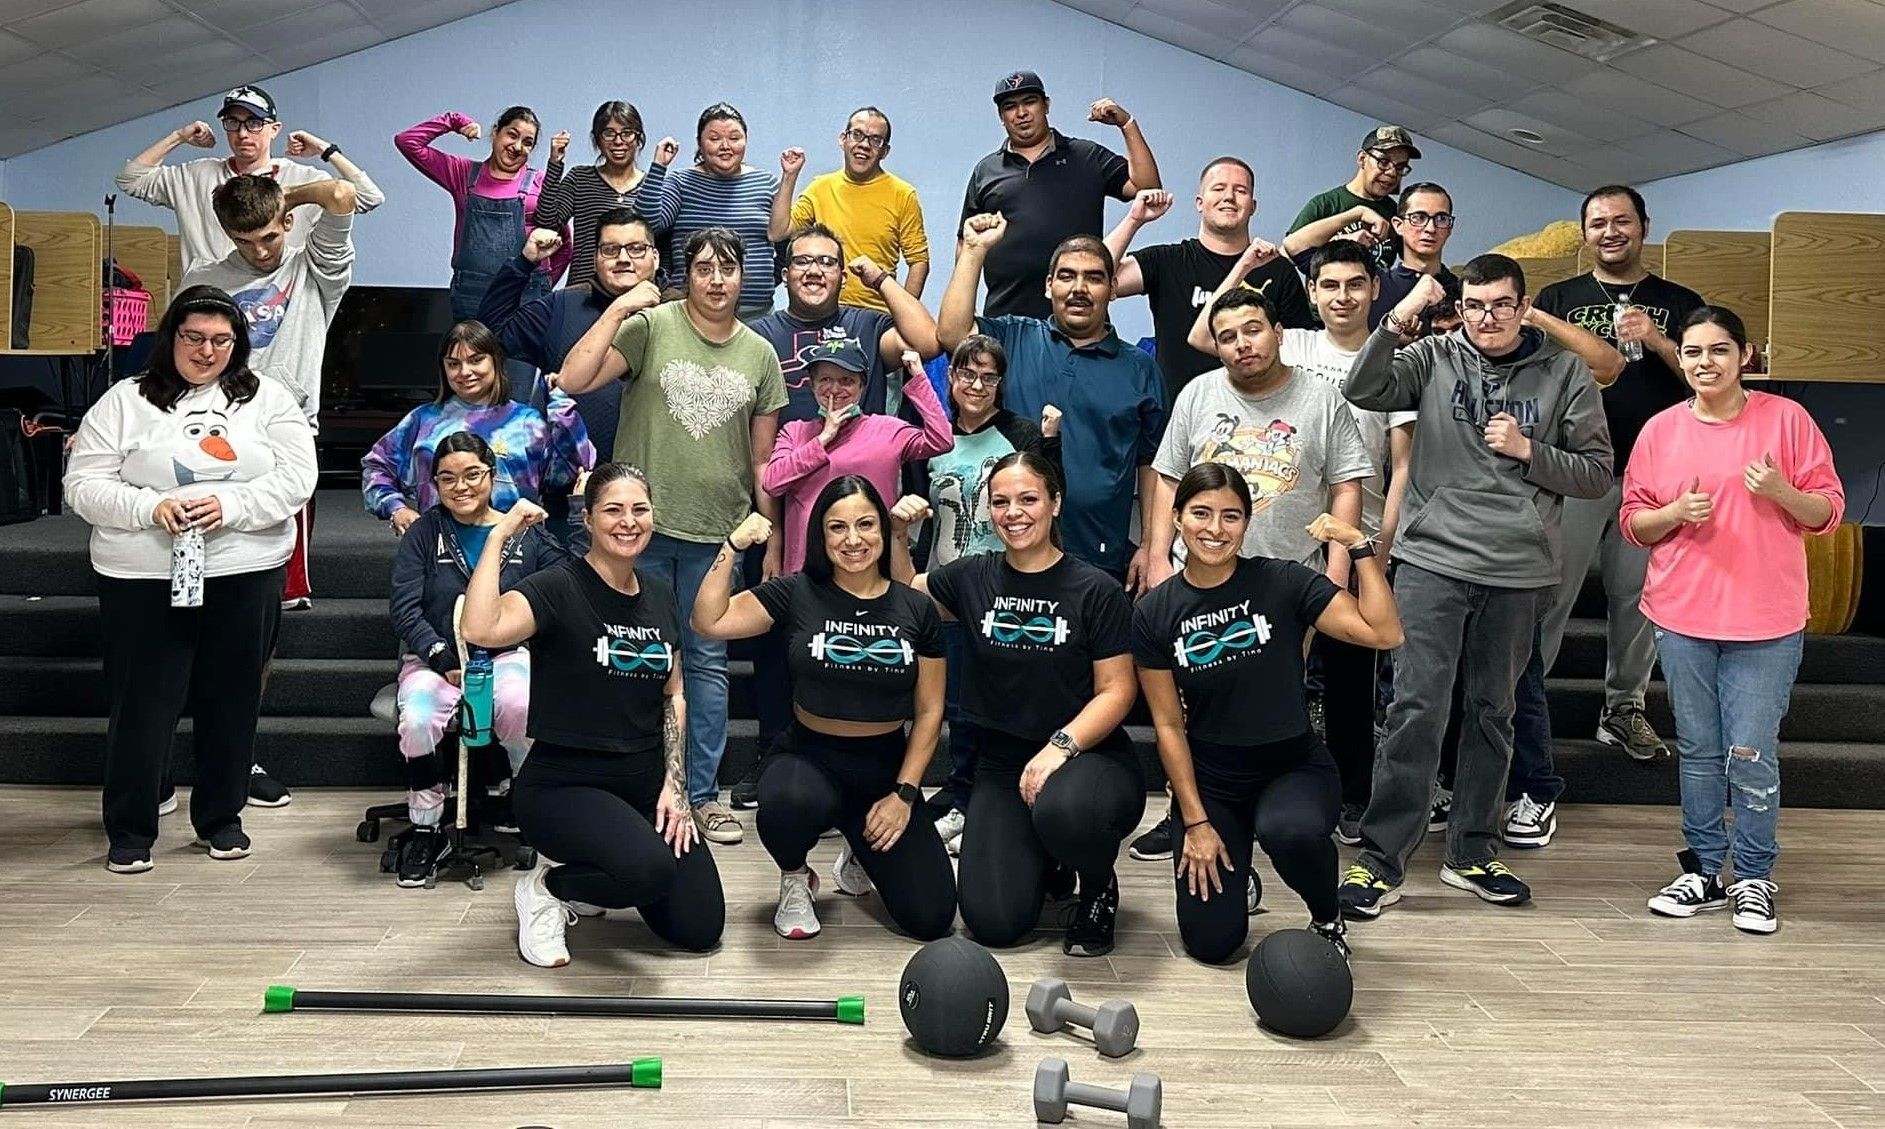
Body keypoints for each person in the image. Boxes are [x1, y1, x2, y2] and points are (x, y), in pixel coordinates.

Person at [1339, 256, 1612, 919]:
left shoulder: (1564, 371)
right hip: (1433, 560)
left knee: (1491, 711)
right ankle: (1380, 859)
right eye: (1473, 305)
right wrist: (1398, 318)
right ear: (1457, 308)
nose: (1486, 317)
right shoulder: (1432, 355)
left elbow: (1597, 472)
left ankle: (1471, 849)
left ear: (1523, 308)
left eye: (1499, 304)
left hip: (1518, 569)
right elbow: (1362, 387)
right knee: (1416, 707)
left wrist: (1529, 450)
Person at [64, 286, 317, 873]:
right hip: (143, 574)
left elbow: (295, 481)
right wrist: (150, 509)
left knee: (231, 699)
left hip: (242, 570)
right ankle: (130, 830)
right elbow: (83, 484)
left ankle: (222, 819)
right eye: (193, 338)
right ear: (171, 337)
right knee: (143, 705)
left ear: (239, 343)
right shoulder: (124, 401)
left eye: (221, 340)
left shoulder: (270, 400)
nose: (207, 352)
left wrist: (229, 507)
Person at [556, 227, 789, 845]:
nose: (717, 280)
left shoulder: (760, 355)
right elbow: (575, 378)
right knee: (640, 664)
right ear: (686, 274)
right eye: (705, 268)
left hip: (721, 537)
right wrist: (619, 306)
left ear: (746, 277)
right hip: (640, 533)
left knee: (707, 665)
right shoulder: (652, 327)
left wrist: (775, 538)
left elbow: (763, 460)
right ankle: (640, 789)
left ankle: (701, 795)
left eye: (729, 268)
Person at [1622, 306, 1843, 936]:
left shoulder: (1787, 419)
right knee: (1697, 750)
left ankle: (1754, 875)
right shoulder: (1660, 430)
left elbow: (1826, 511)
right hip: (1682, 613)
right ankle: (1703, 868)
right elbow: (1632, 523)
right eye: (1693, 352)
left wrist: (1779, 491)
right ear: (1681, 360)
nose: (1704, 363)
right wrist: (1672, 513)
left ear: (1744, 356)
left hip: (1766, 619)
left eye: (1719, 350)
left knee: (1749, 751)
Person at [1135, 463, 1403, 962]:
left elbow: (1385, 633)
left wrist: (1359, 546)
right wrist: (1194, 823)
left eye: (1230, 516)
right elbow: (1169, 725)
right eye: (1201, 513)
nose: (1215, 529)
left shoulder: (1282, 582)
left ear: (1247, 521)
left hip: (1292, 767)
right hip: (1213, 780)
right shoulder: (1155, 613)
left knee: (1290, 831)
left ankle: (1327, 917)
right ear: (1175, 518)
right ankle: (1237, 875)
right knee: (1212, 944)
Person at [460, 465, 724, 966]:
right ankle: (547, 887)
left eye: (639, 510)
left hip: (644, 783)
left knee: (699, 927)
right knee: (648, 871)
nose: (628, 522)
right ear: (587, 519)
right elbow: (482, 628)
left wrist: (676, 786)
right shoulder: (559, 586)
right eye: (613, 510)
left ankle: (602, 871)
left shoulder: (659, 593)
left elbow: (675, 694)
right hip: (566, 786)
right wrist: (497, 537)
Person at [892, 452, 1143, 957]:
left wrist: (1060, 747)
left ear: (1055, 502)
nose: (1014, 513)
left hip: (1088, 759)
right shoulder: (972, 577)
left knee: (1067, 813)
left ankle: (1097, 888)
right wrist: (898, 536)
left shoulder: (1094, 588)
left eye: (1028, 499)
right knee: (994, 923)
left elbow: (1118, 690)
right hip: (1002, 762)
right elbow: (905, 592)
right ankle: (1048, 860)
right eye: (1001, 502)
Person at [694, 479, 957, 940]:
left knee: (931, 918)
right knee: (787, 803)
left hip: (883, 770)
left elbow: (931, 710)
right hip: (808, 758)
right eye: (837, 527)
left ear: (882, 529)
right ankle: (796, 876)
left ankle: (861, 848)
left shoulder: (916, 608)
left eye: (865, 525)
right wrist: (732, 546)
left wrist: (905, 796)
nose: (852, 540)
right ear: (820, 535)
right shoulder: (798, 592)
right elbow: (708, 621)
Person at [1535, 185, 1707, 763]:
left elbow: (1703, 381)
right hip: (1576, 470)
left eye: (1622, 221)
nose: (1610, 231)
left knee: (1636, 597)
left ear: (1644, 227)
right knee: (1551, 591)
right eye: (1598, 222)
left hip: (1654, 476)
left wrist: (1656, 339)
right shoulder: (1559, 297)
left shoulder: (1680, 301)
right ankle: (1526, 697)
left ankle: (1624, 708)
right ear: (1584, 233)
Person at [940, 216, 1167, 588]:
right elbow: (951, 334)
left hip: (1098, 556)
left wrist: (1151, 547)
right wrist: (975, 250)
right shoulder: (1013, 338)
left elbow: (1153, 462)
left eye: (1094, 278)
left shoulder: (1140, 369)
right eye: (1066, 276)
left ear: (1112, 289)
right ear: (1049, 286)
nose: (1079, 288)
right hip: (1004, 549)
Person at [388, 431, 566, 887]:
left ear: (491, 475)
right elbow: (404, 608)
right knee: (420, 716)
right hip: (436, 660)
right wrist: (441, 655)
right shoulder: (424, 534)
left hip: (505, 655)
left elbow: (566, 583)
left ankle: (529, 805)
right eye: (447, 479)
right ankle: (427, 826)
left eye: (472, 475)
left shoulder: (524, 534)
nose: (461, 487)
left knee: (521, 704)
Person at [908, 335, 1061, 852]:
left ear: (1001, 381)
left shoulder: (1019, 433)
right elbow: (914, 503)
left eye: (988, 376)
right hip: (941, 583)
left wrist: (1052, 441)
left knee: (989, 696)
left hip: (1000, 590)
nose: (976, 385)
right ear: (950, 378)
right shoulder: (931, 433)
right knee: (953, 700)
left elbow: (1046, 496)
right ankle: (958, 790)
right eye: (966, 374)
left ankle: (979, 795)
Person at [185, 173, 358, 614]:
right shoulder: (205, 279)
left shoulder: (314, 268)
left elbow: (341, 194)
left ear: (286, 222)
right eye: (244, 241)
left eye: (268, 236)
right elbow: (182, 354)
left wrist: (285, 197)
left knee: (282, 584)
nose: (260, 252)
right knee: (215, 520)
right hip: (219, 419)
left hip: (290, 419)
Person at [1103, 160, 1313, 401]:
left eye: (1240, 190)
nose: (1229, 197)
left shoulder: (1278, 269)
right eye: (1218, 188)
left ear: (1253, 206)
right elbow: (1094, 275)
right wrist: (1134, 220)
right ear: (1199, 203)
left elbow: (1297, 352)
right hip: (1176, 416)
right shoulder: (1168, 260)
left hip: (1258, 417)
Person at [117, 84, 383, 273]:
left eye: (254, 123)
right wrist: (180, 136)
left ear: (274, 129)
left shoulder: (302, 177)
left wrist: (326, 151)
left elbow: (369, 197)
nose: (243, 133)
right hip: (208, 309)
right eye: (233, 123)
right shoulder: (196, 175)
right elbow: (130, 179)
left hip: (271, 308)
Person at [960, 71, 1160, 319]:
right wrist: (965, 309)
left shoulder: (1087, 156)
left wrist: (1127, 124)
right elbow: (966, 242)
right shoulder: (985, 171)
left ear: (1046, 105)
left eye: (1029, 102)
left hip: (1081, 317)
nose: (1021, 113)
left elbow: (1147, 188)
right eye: (1010, 107)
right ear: (1002, 117)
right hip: (1006, 321)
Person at [362, 321, 591, 536]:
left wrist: (561, 405)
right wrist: (396, 509)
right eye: (453, 364)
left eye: (475, 360)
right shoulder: (423, 420)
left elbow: (572, 473)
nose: (464, 372)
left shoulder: (527, 422)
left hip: (516, 554)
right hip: (440, 552)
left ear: (496, 361)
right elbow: (376, 468)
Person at [478, 209, 662, 460]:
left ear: (656, 257)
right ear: (596, 258)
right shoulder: (563, 307)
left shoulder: (680, 311)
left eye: (636, 248)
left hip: (659, 479)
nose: (623, 258)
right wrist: (525, 262)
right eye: (610, 250)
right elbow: (492, 332)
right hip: (572, 481)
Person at [762, 343, 953, 574]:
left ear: (862, 386)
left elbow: (941, 439)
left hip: (873, 570)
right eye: (825, 380)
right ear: (812, 385)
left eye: (846, 381)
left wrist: (919, 377)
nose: (835, 389)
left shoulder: (887, 430)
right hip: (807, 572)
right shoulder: (794, 432)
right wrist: (822, 439)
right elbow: (771, 483)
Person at [748, 223, 942, 424]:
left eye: (826, 262)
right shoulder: (759, 335)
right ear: (785, 276)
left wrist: (880, 279)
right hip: (789, 454)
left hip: (863, 454)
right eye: (802, 261)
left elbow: (928, 343)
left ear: (843, 278)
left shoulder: (868, 326)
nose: (814, 270)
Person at [395, 105, 569, 320]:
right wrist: (454, 120)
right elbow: (407, 141)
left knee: (521, 354)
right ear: (496, 132)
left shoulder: (541, 182)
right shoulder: (462, 173)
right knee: (471, 354)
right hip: (472, 293)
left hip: (527, 291)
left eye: (527, 143)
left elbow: (564, 242)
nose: (517, 147)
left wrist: (543, 285)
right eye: (512, 135)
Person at [775, 107, 930, 313]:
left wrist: (904, 313)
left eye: (875, 140)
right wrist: (789, 176)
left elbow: (919, 261)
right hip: (823, 311)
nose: (864, 145)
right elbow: (778, 231)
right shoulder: (820, 187)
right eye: (857, 135)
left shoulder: (903, 194)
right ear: (843, 140)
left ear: (885, 151)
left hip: (877, 316)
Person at [636, 103, 782, 316]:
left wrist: (762, 281)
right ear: (700, 143)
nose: (725, 146)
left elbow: (786, 242)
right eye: (714, 139)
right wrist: (659, 166)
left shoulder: (766, 182)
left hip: (756, 313)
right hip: (691, 311)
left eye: (734, 138)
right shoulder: (681, 182)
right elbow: (645, 225)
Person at [532, 101, 647, 291]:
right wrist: (554, 164)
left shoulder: (652, 186)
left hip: (636, 296)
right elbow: (547, 222)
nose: (618, 141)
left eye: (627, 133)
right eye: (608, 133)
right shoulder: (580, 178)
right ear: (597, 139)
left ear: (638, 138)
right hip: (583, 292)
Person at [1283, 125, 1417, 276]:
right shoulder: (1325, 204)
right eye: (1383, 162)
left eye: (1400, 167)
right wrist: (1345, 239)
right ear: (1362, 159)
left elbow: (1417, 260)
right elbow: (1287, 252)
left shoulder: (1396, 213)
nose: (1392, 173)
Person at [1369, 182, 1460, 331]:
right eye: (1419, 217)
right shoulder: (1375, 288)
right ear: (1398, 225)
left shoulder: (1462, 291)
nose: (1430, 228)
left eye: (1441, 219)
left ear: (1449, 228)